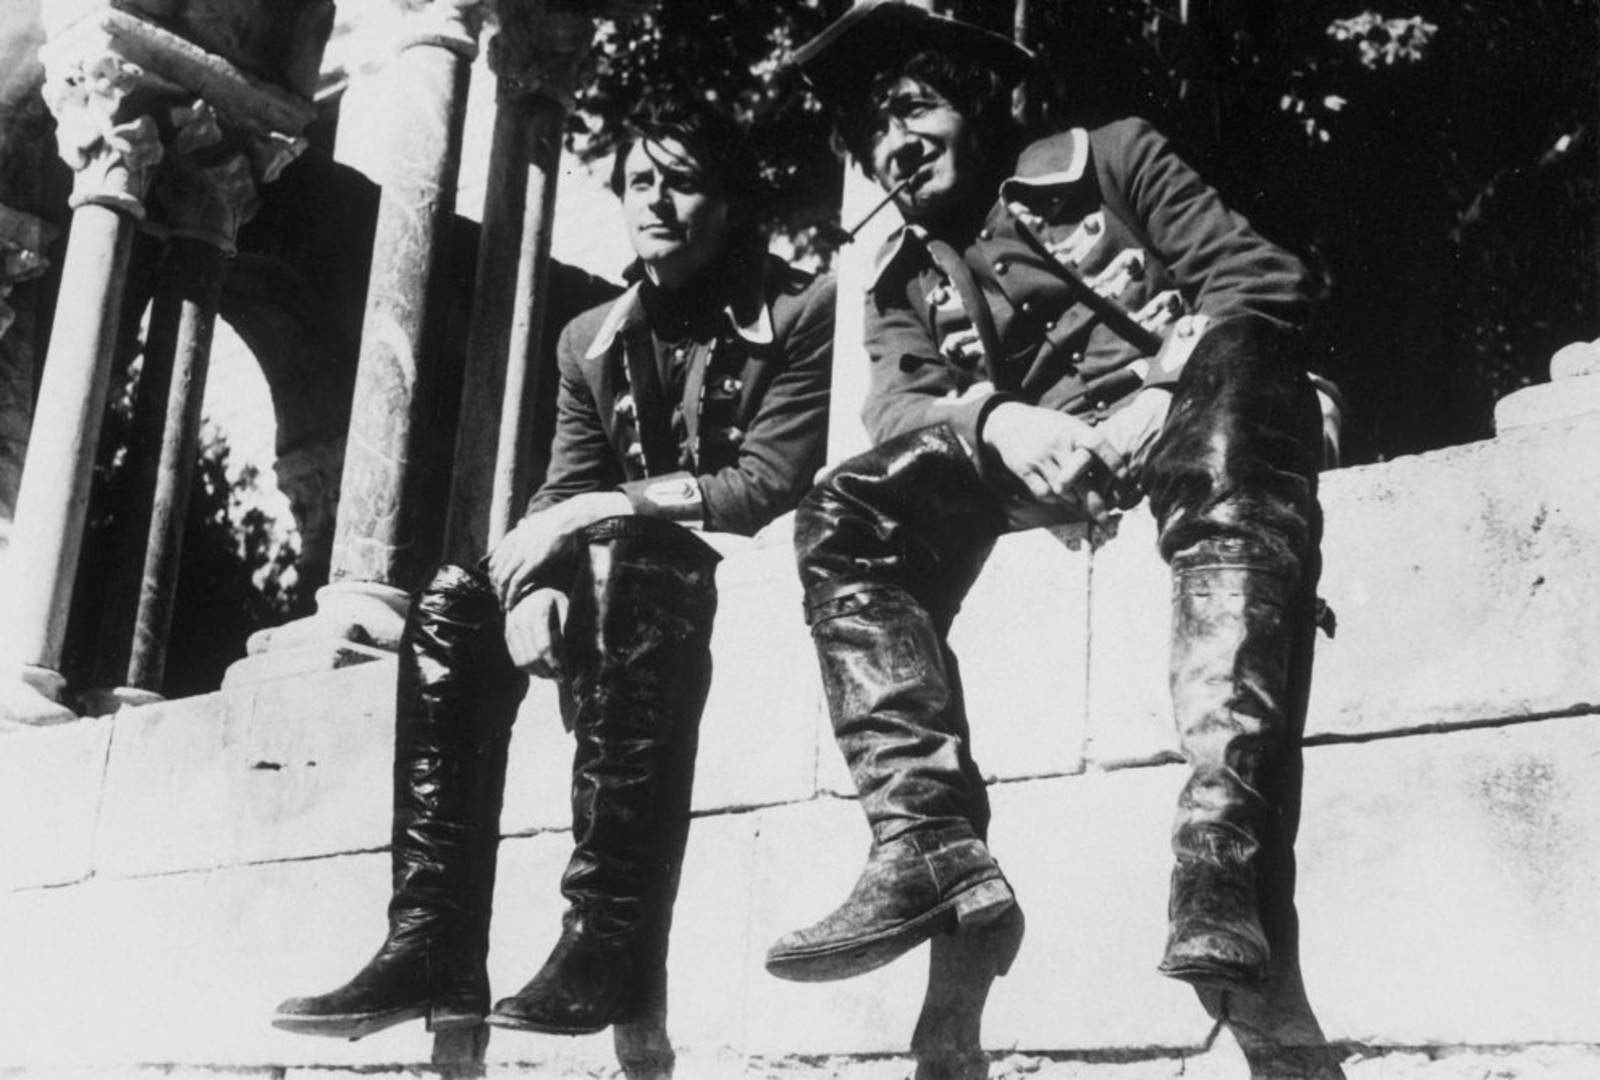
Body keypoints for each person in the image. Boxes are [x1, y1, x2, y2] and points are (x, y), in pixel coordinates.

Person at [764, 0, 1328, 1006]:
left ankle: (1219, 857)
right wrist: (997, 422)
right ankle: (923, 843)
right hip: (1056, 478)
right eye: (874, 130)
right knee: (843, 509)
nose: (896, 144)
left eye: (916, 109)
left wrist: (1162, 393)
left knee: (1239, 369)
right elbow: (895, 407)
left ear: (977, 104)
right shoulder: (896, 280)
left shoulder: (1113, 156)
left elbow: (1259, 281)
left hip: (1219, 417)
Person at [272, 92, 834, 1057]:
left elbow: (763, 483)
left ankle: (606, 935)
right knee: (454, 600)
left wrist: (591, 515)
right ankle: (431, 944)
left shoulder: (803, 309)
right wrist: (532, 588)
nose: (656, 201)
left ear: (733, 202)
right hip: (619, 568)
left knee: (626, 555)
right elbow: (561, 491)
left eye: (684, 183)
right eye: (640, 181)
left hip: (732, 568)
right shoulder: (591, 340)